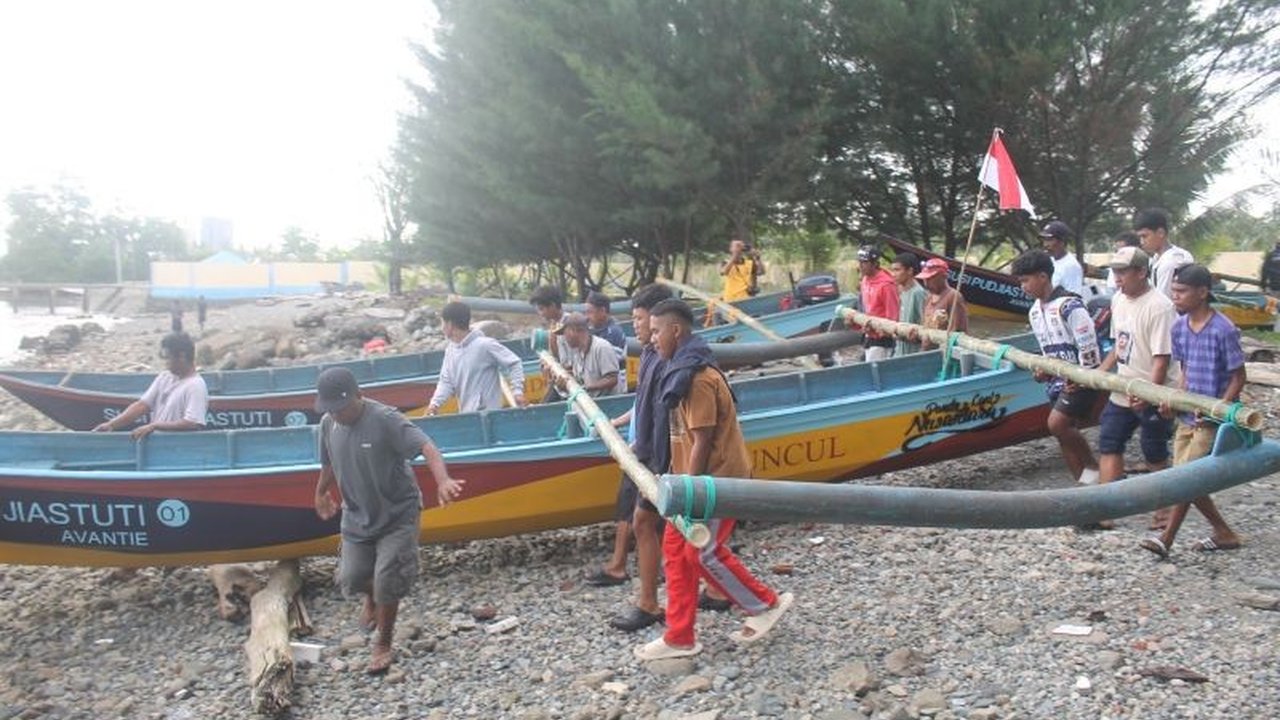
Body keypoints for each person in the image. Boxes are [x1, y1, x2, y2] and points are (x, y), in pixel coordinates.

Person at [633, 298, 794, 661]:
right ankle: (680, 637)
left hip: (717, 482)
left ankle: (765, 603)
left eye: (657, 330)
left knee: (701, 552)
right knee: (675, 555)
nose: (652, 338)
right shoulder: (676, 369)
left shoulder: (698, 379)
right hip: (686, 482)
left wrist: (688, 495)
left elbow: (702, 441)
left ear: (676, 331)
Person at [313, 366, 465, 675]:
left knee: (387, 582)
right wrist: (320, 492)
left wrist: (443, 481)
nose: (337, 415)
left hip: (397, 514)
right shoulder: (328, 424)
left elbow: (427, 446)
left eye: (342, 408)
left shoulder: (384, 419)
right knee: (351, 578)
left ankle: (383, 643)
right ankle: (372, 596)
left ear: (358, 396)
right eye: (331, 409)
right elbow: (328, 461)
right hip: (356, 516)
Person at [1139, 264, 1244, 558]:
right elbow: (1185, 371)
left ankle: (1167, 537)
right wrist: (1175, 399)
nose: (1176, 297)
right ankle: (1223, 533)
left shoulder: (1223, 329)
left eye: (1182, 292)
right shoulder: (1179, 328)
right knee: (1187, 478)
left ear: (1202, 292)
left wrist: (1219, 408)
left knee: (1186, 477)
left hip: (1212, 420)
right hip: (1187, 416)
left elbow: (1239, 377)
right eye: (1173, 291)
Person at [589, 284, 671, 636]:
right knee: (644, 524)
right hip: (647, 454)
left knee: (661, 529)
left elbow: (671, 415)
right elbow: (644, 405)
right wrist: (623, 430)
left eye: (639, 320)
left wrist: (652, 457)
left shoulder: (672, 359)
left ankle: (658, 604)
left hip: (661, 459)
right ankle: (650, 602)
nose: (635, 327)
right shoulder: (652, 354)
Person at [1094, 246, 1180, 530]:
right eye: (1114, 272)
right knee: (1109, 441)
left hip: (1154, 390)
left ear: (1141, 272)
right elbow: (1118, 347)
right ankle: (1108, 508)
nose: (1117, 278)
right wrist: (1099, 375)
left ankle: (1164, 509)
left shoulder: (1160, 307)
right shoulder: (1118, 300)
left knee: (1153, 450)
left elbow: (1162, 358)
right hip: (1124, 386)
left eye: (1123, 272)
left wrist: (1149, 394)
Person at [1011, 250, 1102, 486]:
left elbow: (1089, 347)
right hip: (1056, 381)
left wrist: (1081, 377)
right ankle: (1085, 488)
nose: (1023, 286)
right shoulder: (1034, 311)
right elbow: (1047, 351)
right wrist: (1043, 370)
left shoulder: (1070, 306)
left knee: (1057, 424)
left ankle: (1093, 464)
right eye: (1020, 281)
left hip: (1080, 378)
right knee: (1063, 436)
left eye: (1025, 280)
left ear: (1043, 276)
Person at [93, 332, 207, 438]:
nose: (165, 362)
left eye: (168, 357)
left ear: (182, 356)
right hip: (158, 444)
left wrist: (155, 426)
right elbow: (142, 405)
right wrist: (111, 425)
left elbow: (192, 423)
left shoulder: (195, 386)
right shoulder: (165, 377)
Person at [426, 301, 527, 415]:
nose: (442, 327)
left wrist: (517, 391)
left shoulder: (484, 345)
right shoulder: (451, 351)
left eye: (442, 323)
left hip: (491, 415)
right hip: (468, 417)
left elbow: (514, 363)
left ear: (450, 324)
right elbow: (446, 382)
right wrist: (434, 404)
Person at [553, 312, 622, 398]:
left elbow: (612, 379)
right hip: (592, 402)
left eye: (565, 333)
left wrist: (587, 387)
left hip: (610, 404)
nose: (564, 338)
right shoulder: (577, 352)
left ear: (574, 331)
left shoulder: (601, 347)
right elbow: (579, 378)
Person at [851, 245, 900, 361]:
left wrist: (882, 331)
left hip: (882, 339)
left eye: (864, 262)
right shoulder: (865, 280)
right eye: (860, 262)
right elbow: (864, 308)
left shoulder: (886, 285)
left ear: (874, 264)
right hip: (868, 336)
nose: (860, 266)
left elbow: (893, 316)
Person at [1134, 208, 1193, 299]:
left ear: (1160, 233)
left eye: (1145, 236)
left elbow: (1163, 300)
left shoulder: (1171, 262)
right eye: (1140, 237)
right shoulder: (1156, 258)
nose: (1142, 242)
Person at [916, 258, 969, 351]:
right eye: (925, 279)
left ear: (943, 276)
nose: (926, 283)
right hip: (926, 350)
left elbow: (958, 331)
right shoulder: (929, 298)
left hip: (942, 352)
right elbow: (924, 326)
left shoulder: (953, 297)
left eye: (930, 279)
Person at [529, 285, 570, 401]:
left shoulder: (570, 325)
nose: (540, 313)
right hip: (559, 382)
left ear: (552, 305)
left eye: (542, 309)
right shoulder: (554, 325)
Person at [585, 290, 627, 394]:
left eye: (590, 312)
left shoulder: (613, 333)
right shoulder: (593, 330)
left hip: (614, 392)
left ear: (602, 311)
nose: (587, 317)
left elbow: (608, 367)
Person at [891, 252, 927, 356]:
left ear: (910, 271)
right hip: (900, 350)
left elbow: (926, 325)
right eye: (892, 270)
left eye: (897, 270)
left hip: (914, 352)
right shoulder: (902, 291)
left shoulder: (918, 293)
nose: (893, 274)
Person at [1039, 220, 1085, 296]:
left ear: (1062, 241)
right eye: (1044, 240)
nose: (1045, 244)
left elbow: (1074, 298)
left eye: (1049, 240)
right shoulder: (1049, 261)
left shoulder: (1071, 266)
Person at [720, 236, 765, 302]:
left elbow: (761, 272)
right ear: (731, 249)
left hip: (746, 298)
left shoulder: (749, 263)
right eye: (737, 246)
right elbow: (724, 272)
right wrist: (735, 256)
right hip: (731, 299)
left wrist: (758, 257)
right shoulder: (726, 262)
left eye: (741, 246)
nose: (739, 248)